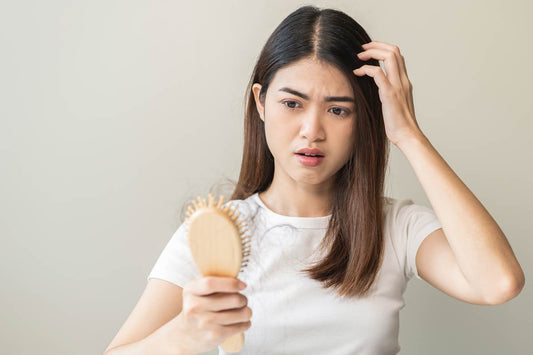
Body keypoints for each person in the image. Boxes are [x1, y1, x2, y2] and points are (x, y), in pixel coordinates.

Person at [104, 5, 525, 355]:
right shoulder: (215, 231)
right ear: (261, 102)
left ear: (365, 119)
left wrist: (408, 134)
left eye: (338, 110)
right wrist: (186, 335)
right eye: (292, 103)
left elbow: (498, 283)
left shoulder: (396, 228)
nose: (312, 130)